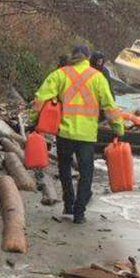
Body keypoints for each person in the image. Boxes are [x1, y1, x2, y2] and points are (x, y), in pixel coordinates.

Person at [31, 43, 124, 224]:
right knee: (86, 173)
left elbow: (40, 98)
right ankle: (79, 213)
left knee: (64, 169)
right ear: (88, 57)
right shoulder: (97, 77)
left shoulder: (59, 74)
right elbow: (109, 105)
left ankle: (68, 204)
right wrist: (118, 128)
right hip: (86, 136)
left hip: (64, 133)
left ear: (72, 56)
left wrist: (32, 121)